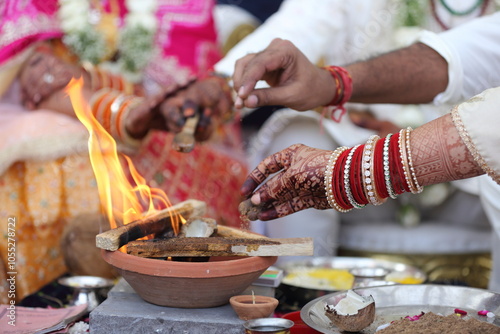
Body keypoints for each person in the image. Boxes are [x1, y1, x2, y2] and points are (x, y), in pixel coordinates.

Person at [158, 0, 497, 285]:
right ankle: (295, 298)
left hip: (474, 181)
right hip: (360, 155)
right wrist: (226, 83)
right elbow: (304, 20)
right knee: (297, 136)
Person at [0, 0, 246, 304]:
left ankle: (169, 296)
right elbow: (38, 78)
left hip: (156, 122)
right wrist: (125, 114)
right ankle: (58, 308)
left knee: (197, 190)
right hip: (51, 110)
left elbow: (199, 90)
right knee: (65, 160)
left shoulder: (186, 6)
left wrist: (167, 109)